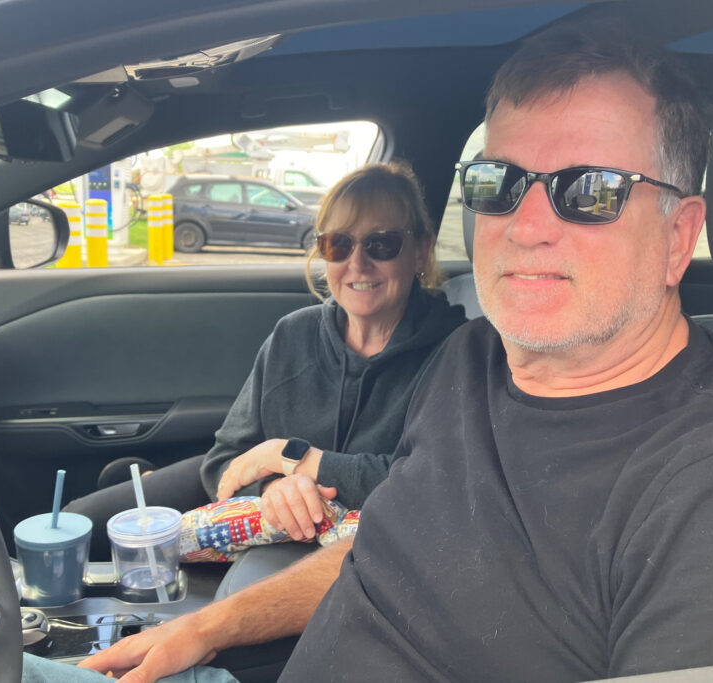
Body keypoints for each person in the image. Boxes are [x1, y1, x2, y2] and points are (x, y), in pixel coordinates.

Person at [77, 21, 713, 683]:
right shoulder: (471, 360)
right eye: (499, 182)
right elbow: (384, 544)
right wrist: (206, 629)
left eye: (590, 189)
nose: (526, 224)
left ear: (677, 234)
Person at [64, 162, 466, 558]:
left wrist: (290, 458)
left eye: (382, 244)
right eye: (338, 244)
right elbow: (225, 459)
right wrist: (273, 490)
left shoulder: (455, 351)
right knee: (77, 525)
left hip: (362, 549)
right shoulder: (294, 335)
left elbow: (428, 484)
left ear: (420, 251)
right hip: (259, 521)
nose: (357, 263)